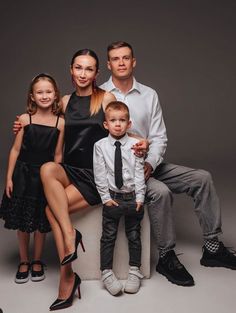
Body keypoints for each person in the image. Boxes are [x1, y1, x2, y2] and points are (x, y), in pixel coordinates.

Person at [100, 41, 236, 287]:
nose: (121, 62)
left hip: (150, 163)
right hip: (123, 170)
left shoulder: (149, 94)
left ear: (134, 61)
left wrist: (150, 163)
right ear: (108, 64)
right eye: (115, 58)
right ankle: (166, 256)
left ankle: (213, 248)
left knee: (202, 177)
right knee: (160, 192)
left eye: (126, 57)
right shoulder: (100, 95)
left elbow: (159, 136)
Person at [39, 49, 116, 310]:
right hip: (70, 169)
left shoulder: (106, 98)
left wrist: (142, 143)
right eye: (78, 68)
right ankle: (71, 234)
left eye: (89, 69)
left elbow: (122, 127)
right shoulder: (64, 100)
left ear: (97, 73)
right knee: (48, 167)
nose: (83, 73)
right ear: (71, 70)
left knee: (51, 210)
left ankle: (67, 278)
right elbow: (43, 123)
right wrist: (22, 125)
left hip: (95, 175)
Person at [0, 73, 64, 284]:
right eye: (39, 92)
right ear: (32, 96)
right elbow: (15, 150)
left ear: (55, 95)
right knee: (22, 222)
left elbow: (57, 155)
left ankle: (37, 260)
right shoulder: (24, 119)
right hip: (23, 174)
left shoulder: (60, 123)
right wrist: (9, 178)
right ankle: (24, 260)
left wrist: (58, 181)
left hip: (44, 176)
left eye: (48, 91)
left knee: (39, 221)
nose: (44, 96)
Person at [93, 101, 146, 295]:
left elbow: (139, 171)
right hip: (113, 198)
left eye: (122, 120)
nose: (118, 124)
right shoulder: (100, 146)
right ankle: (106, 272)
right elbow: (99, 173)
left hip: (132, 198)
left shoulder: (135, 145)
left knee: (134, 235)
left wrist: (140, 196)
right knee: (108, 237)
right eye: (113, 120)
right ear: (106, 124)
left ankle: (135, 270)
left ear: (129, 124)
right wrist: (105, 198)